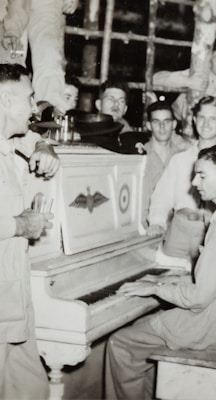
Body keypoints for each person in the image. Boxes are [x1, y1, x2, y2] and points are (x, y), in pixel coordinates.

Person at [105, 144, 216, 400]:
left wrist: (155, 287)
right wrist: (170, 280)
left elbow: (199, 297)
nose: (194, 182)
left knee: (122, 343)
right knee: (144, 329)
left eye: (202, 175)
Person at [0, 63, 60, 399]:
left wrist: (44, 146)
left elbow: (34, 137)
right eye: (30, 97)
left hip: (15, 297)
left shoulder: (9, 144)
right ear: (6, 99)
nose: (36, 107)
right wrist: (21, 225)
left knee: (32, 389)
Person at [146, 96, 216, 261]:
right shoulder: (180, 159)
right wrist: (157, 222)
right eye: (202, 117)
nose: (206, 124)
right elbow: (162, 196)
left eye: (213, 118)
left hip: (212, 230)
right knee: (169, 273)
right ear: (194, 120)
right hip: (180, 230)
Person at [153, 37, 216, 121]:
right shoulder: (200, 74)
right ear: (210, 61)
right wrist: (188, 81)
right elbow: (155, 79)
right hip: (178, 123)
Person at [141, 101, 191, 221]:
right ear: (148, 125)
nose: (162, 127)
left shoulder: (182, 155)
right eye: (156, 122)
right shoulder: (141, 156)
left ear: (174, 124)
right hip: (148, 225)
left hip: (176, 227)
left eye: (166, 121)